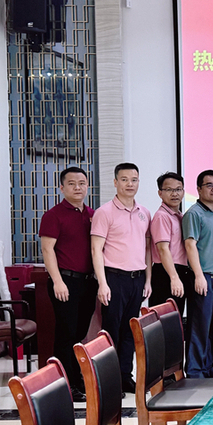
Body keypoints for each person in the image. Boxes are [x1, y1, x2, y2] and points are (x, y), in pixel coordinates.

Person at [90, 162, 151, 393]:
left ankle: (125, 375)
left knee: (130, 331)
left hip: (137, 279)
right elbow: (96, 249)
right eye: (124, 179)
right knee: (111, 331)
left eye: (134, 180)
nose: (129, 184)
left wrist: (147, 280)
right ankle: (110, 379)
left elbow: (147, 248)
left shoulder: (144, 212)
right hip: (114, 279)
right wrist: (102, 283)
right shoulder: (104, 212)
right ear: (115, 182)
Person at [39, 167, 97, 402]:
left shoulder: (92, 214)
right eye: (72, 184)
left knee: (79, 334)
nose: (77, 188)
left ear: (87, 186)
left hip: (88, 283)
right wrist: (58, 281)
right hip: (65, 282)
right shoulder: (53, 215)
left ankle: (76, 379)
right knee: (66, 334)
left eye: (82, 183)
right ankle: (65, 383)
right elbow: (47, 250)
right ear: (61, 188)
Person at [183, 169, 213, 379]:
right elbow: (190, 245)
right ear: (199, 189)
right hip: (205, 278)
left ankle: (208, 367)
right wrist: (199, 276)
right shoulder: (194, 213)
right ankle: (194, 372)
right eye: (209, 185)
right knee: (200, 327)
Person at [149, 172, 191, 316]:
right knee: (163, 321)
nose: (175, 194)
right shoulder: (162, 216)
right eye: (169, 190)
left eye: (178, 189)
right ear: (160, 193)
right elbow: (163, 249)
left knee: (175, 319)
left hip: (179, 272)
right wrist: (174, 277)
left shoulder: (180, 216)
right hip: (166, 274)